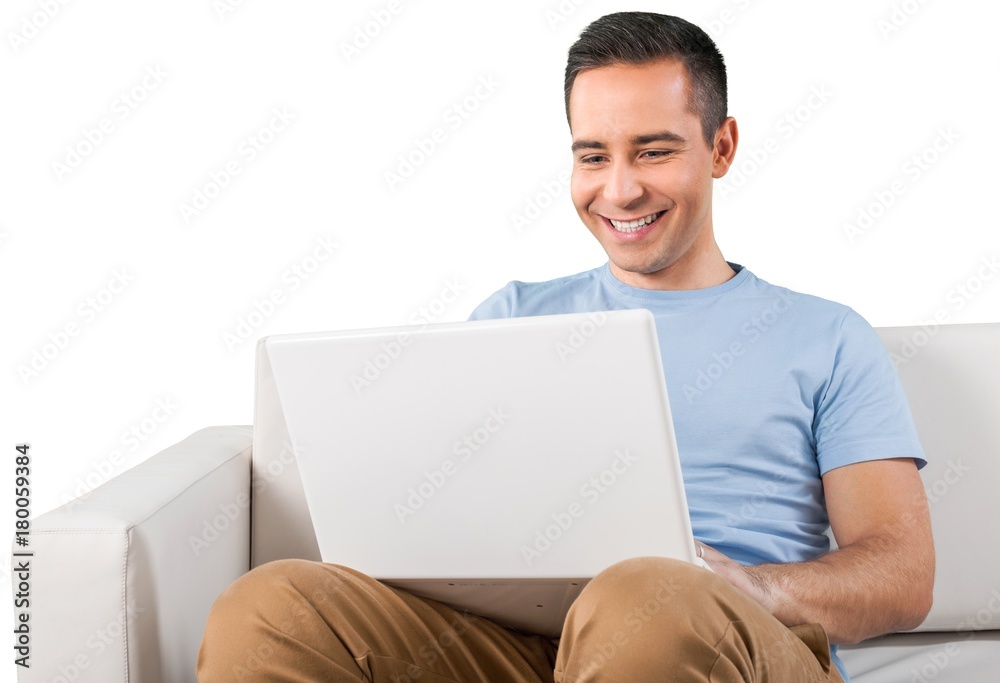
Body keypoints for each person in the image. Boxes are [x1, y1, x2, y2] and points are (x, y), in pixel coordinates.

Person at [197, 12, 933, 682]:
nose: (618, 190)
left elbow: (903, 574)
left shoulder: (827, 336)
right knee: (266, 608)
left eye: (652, 151)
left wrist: (755, 584)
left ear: (721, 146)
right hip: (521, 641)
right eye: (592, 157)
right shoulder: (513, 317)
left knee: (644, 597)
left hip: (725, 639)